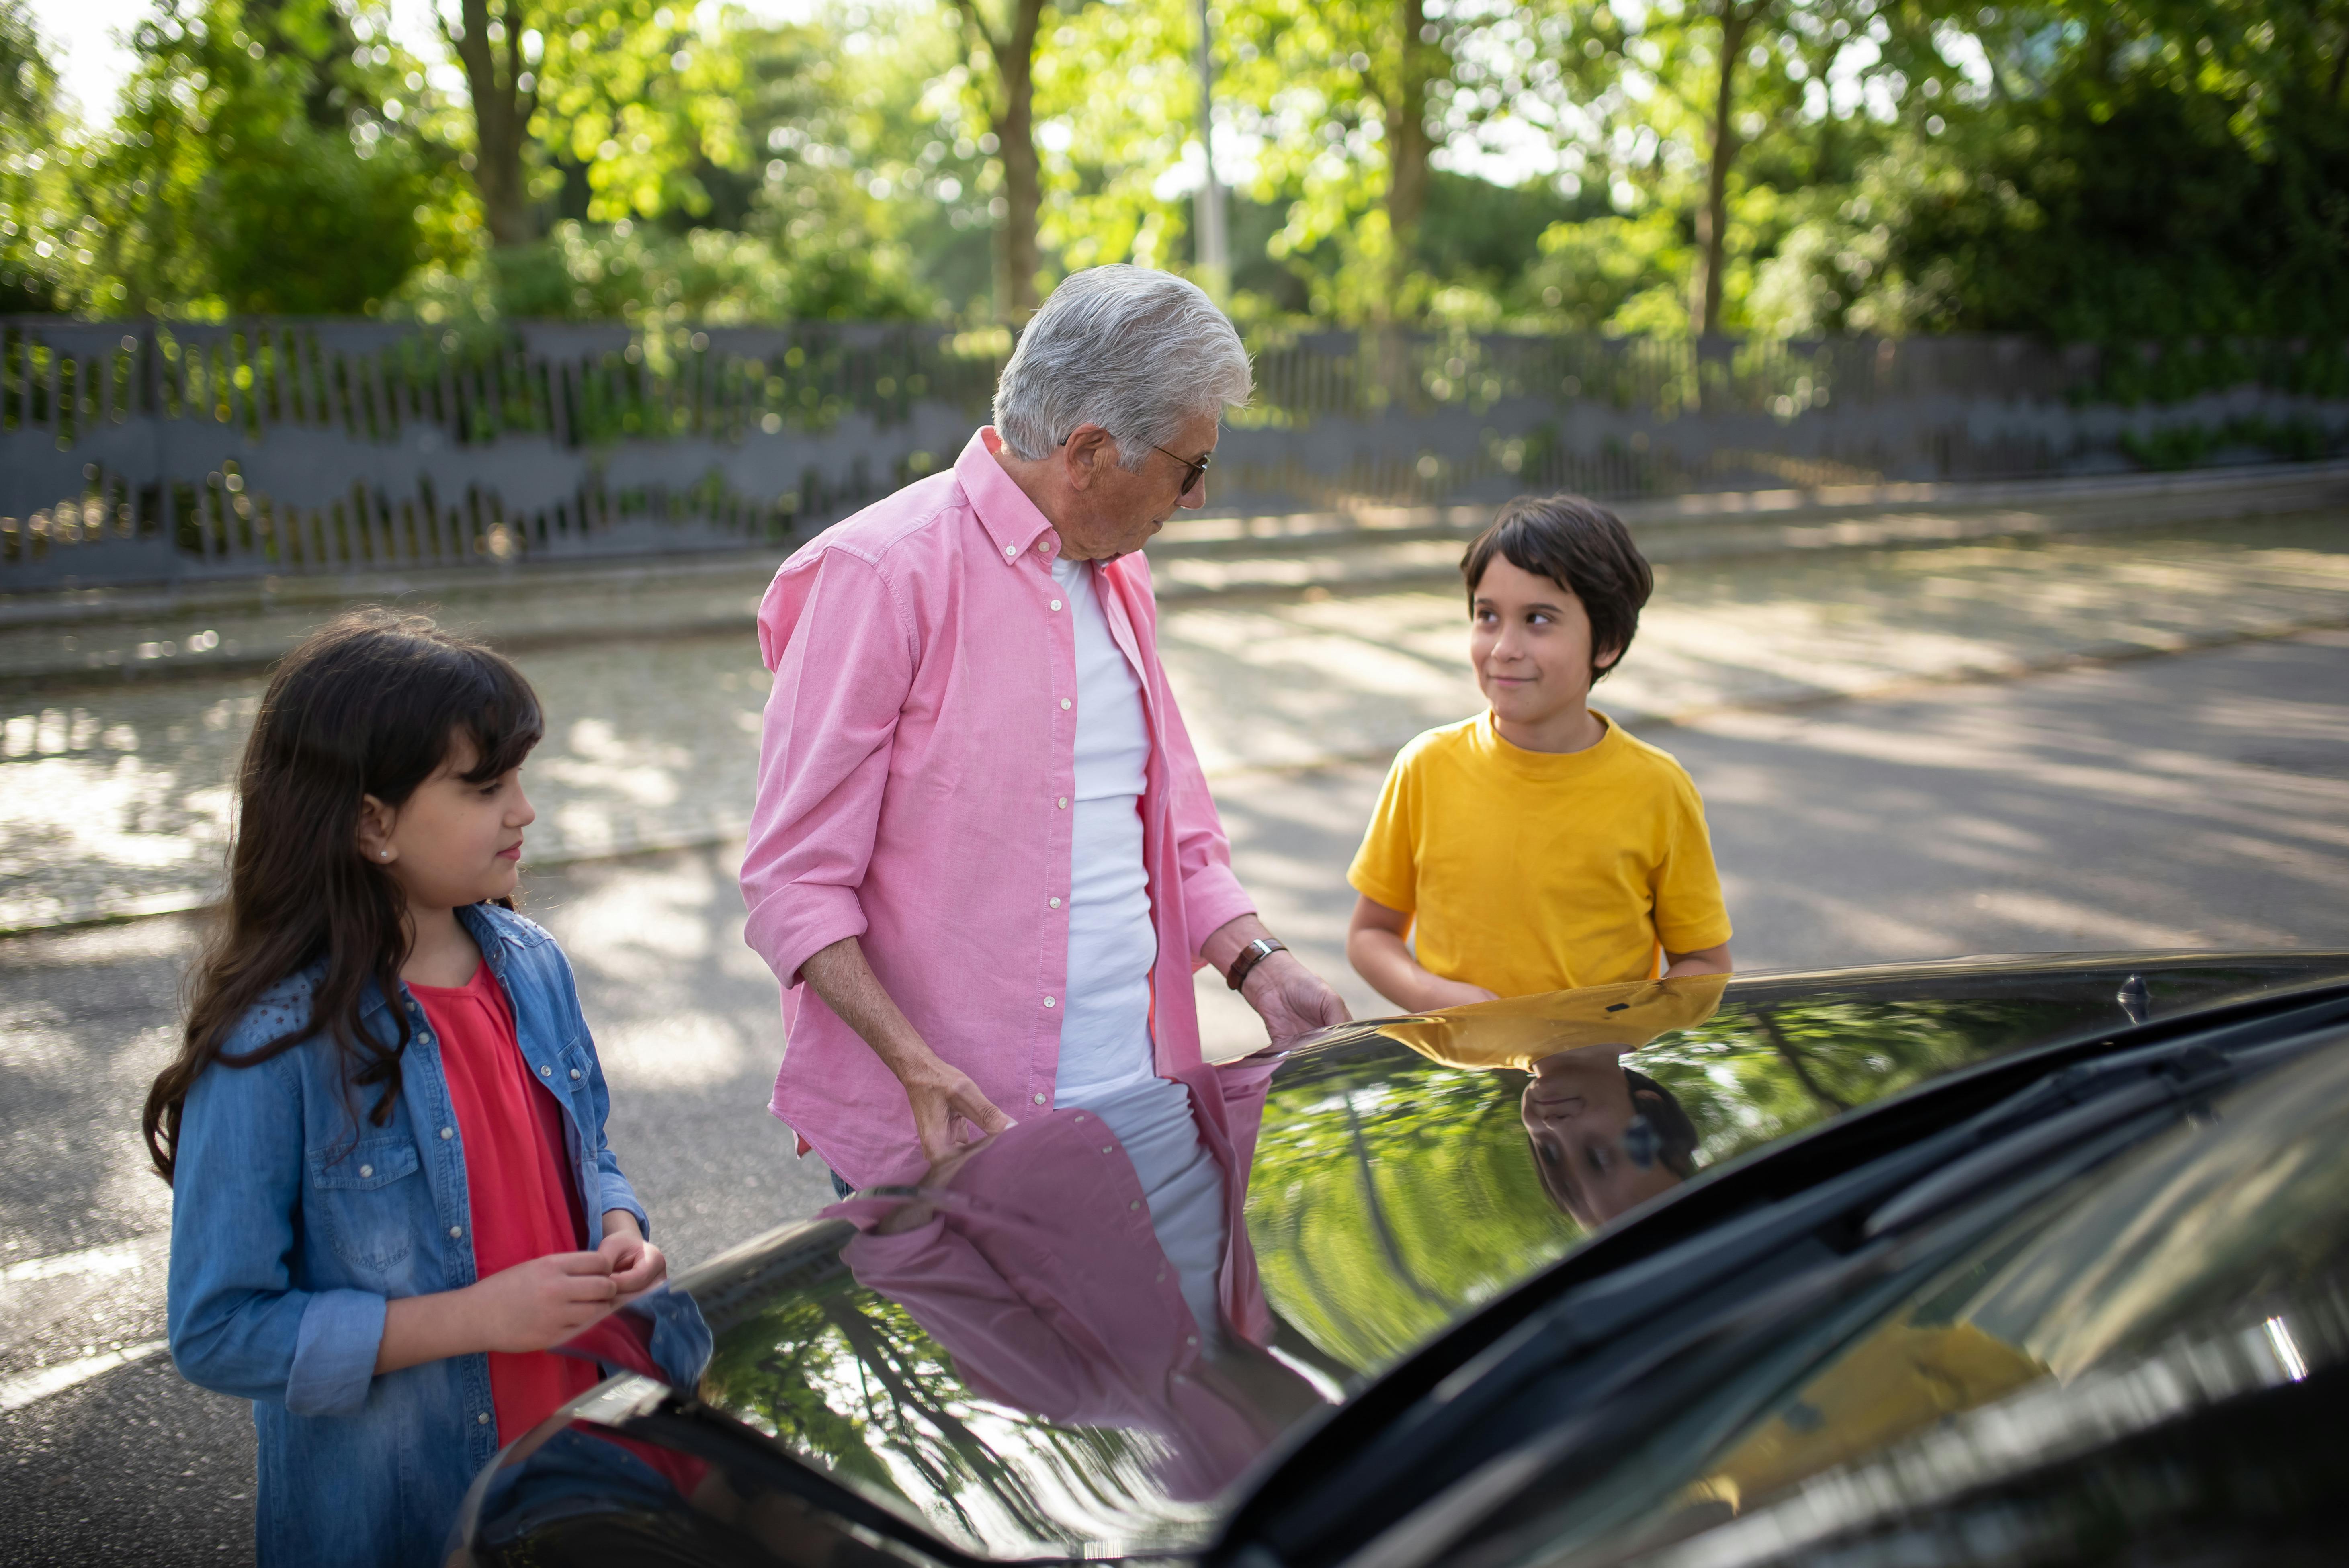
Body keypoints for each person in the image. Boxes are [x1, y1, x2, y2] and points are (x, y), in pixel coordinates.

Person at [740, 264, 1350, 1193]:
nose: (1196, 499)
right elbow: (794, 883)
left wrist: (1258, 964)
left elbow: (1169, 825)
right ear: (1094, 453)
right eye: (1192, 467)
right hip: (949, 1134)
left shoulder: (1119, 576)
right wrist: (919, 1068)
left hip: (1134, 1095)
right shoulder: (880, 574)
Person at [145, 611, 666, 1568]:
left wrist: (619, 1227)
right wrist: (473, 1318)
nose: (525, 810)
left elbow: (588, 1154)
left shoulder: (535, 964)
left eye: (520, 777)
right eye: (484, 787)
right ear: (371, 822)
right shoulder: (274, 1041)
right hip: (415, 1515)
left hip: (585, 1469)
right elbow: (218, 1330)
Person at [1345, 493, 1733, 1011]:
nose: (1505, 646)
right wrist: (1435, 996)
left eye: (1538, 619)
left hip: (1601, 1082)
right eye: (1487, 615)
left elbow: (1704, 965)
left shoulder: (1659, 787)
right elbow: (1371, 934)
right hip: (1463, 1079)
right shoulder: (1424, 765)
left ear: (1608, 642)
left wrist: (1613, 1030)